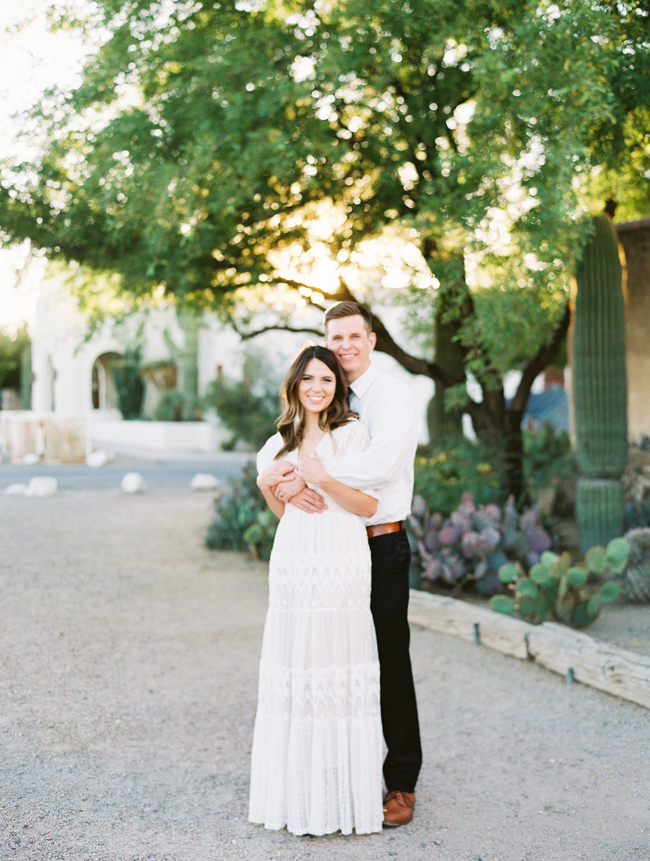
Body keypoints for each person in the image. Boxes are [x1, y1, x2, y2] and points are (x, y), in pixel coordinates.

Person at [271, 302, 422, 828]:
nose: (346, 346)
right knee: (329, 656)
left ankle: (401, 782)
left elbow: (381, 467)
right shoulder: (327, 392)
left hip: (378, 542)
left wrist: (307, 475)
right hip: (326, 551)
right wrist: (282, 474)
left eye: (355, 336)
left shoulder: (392, 397)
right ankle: (338, 771)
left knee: (387, 661)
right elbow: (279, 449)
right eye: (337, 338)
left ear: (372, 340)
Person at [248, 344, 384, 836]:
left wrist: (322, 476)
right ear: (295, 385)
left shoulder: (351, 435)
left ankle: (340, 795)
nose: (317, 388)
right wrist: (271, 485)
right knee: (298, 664)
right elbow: (285, 513)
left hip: (341, 559)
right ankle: (298, 792)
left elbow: (368, 505)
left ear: (337, 387)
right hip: (293, 562)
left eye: (327, 379)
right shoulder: (277, 443)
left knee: (335, 664)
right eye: (308, 379)